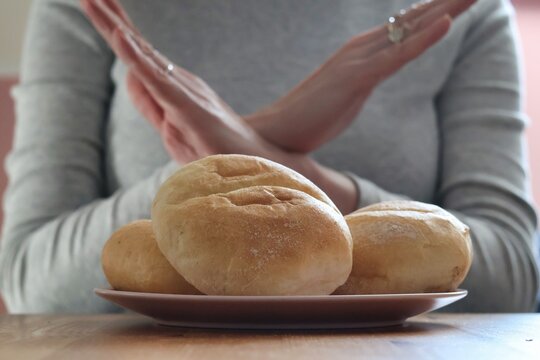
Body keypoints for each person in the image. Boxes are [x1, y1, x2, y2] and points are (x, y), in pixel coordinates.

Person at [0, 0, 537, 313]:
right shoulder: (90, 7)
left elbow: (517, 278)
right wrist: (246, 152)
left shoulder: (463, 11)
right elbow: (27, 281)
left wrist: (278, 165)